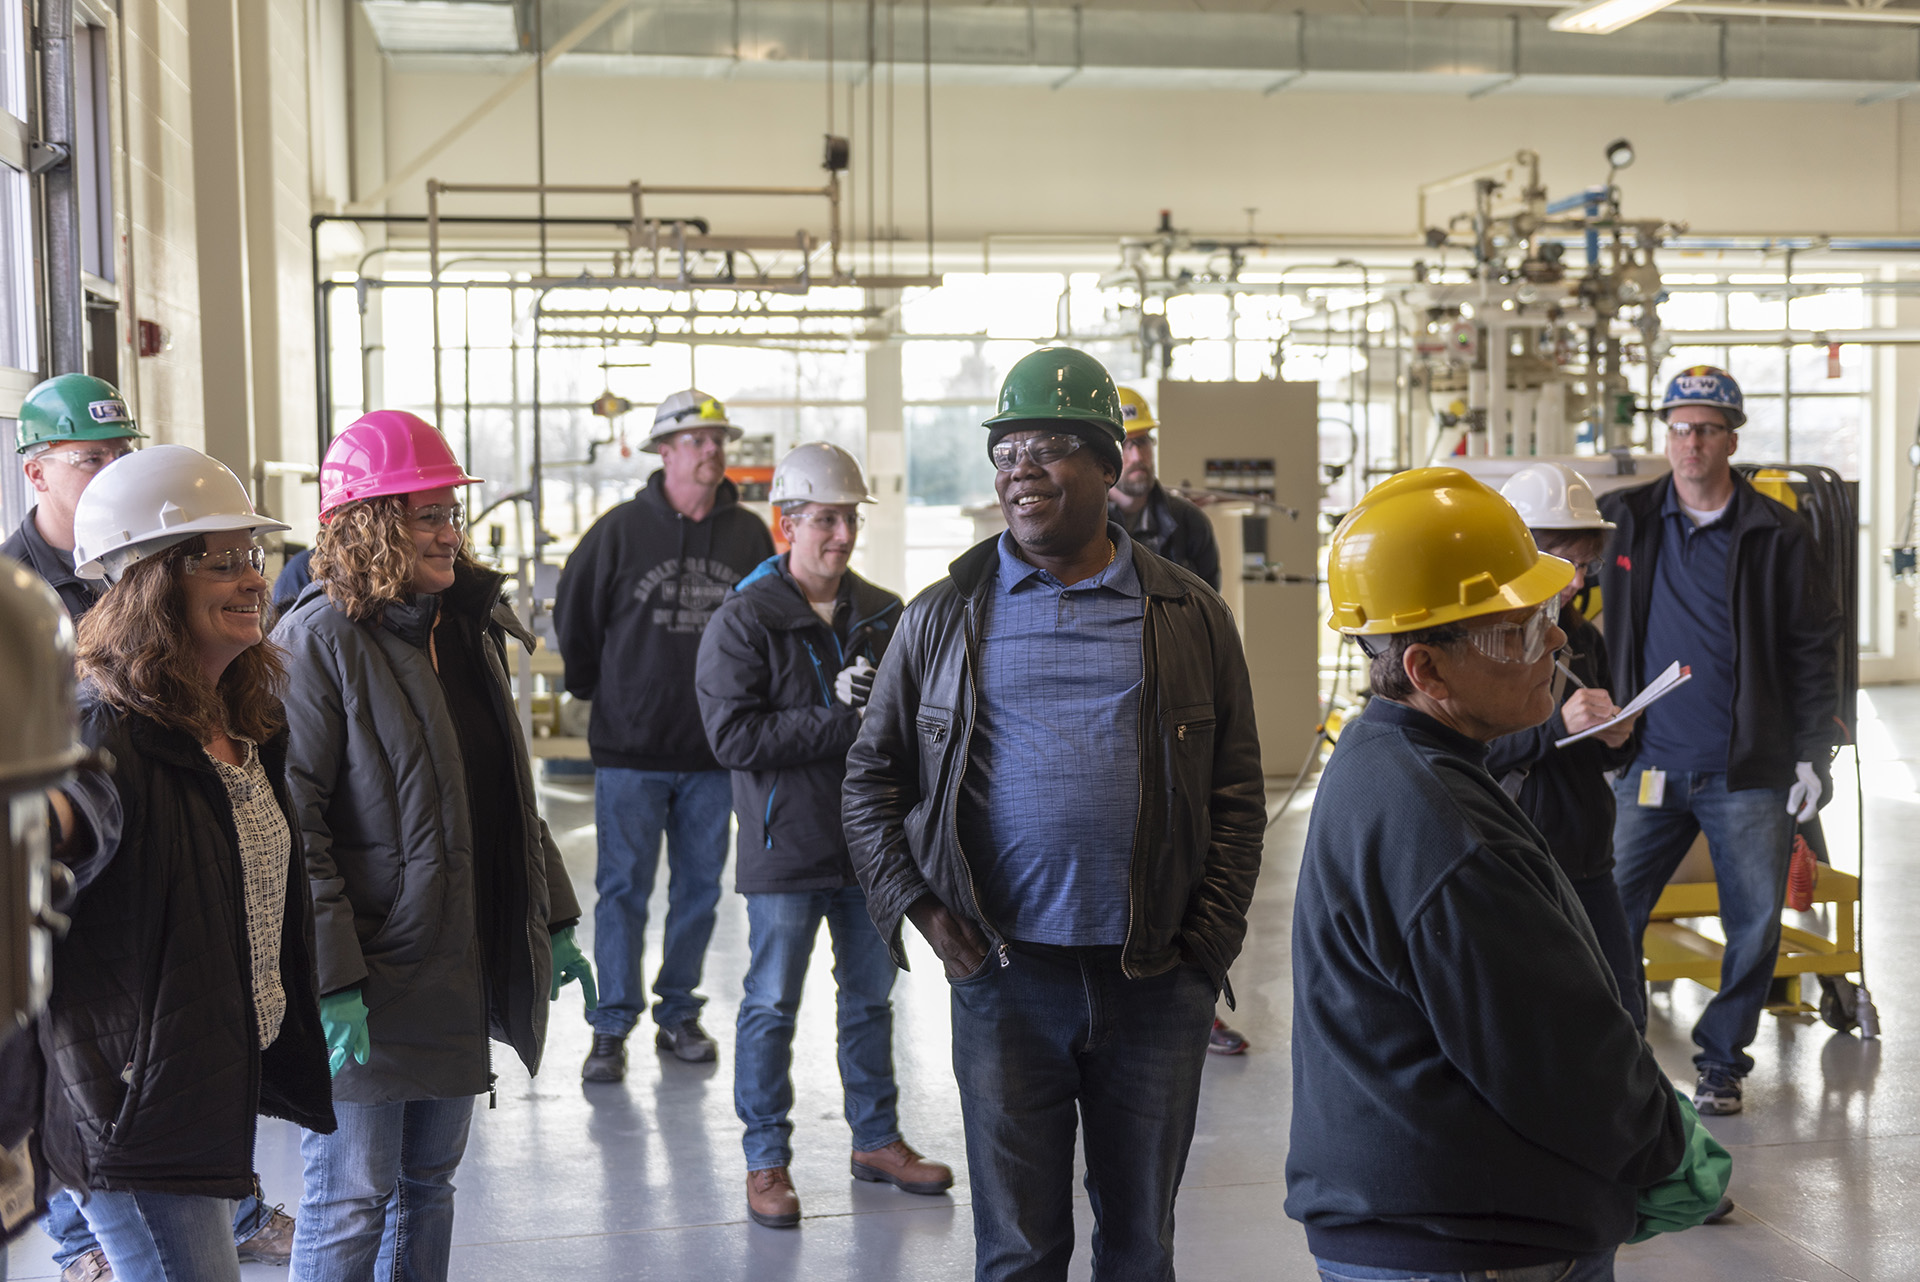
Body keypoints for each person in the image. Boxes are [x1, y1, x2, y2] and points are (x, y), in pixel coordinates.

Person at [843, 347, 1265, 1281]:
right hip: (1004, 976)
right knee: (1020, 1252)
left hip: (1154, 978)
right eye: (1006, 451)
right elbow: (873, 779)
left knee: (1141, 1247)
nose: (1019, 469)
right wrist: (920, 910)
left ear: (1111, 467)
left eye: (1049, 447)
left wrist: (1206, 948)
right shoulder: (941, 617)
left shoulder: (1189, 615)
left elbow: (1238, 793)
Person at [1288, 466, 1687, 1282]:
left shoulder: (1382, 757)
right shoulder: (1450, 833)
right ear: (1427, 670)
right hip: (1473, 1243)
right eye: (1516, 632)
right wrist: (1666, 1145)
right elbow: (1560, 1064)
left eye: (1544, 612)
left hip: (1425, 1216)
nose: (1554, 642)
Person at [276, 411, 591, 1282]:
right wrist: (330, 977)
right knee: (351, 1196)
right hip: (373, 979)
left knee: (430, 1186)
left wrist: (552, 916)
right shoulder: (314, 643)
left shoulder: (465, 628)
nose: (452, 531)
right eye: (428, 515)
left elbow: (505, 795)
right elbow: (295, 830)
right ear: (370, 523)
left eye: (452, 512)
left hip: (457, 961)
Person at [6, 375, 298, 1281]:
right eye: (220, 560)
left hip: (201, 1080)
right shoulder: (102, 725)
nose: (253, 577)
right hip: (129, 1099)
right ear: (151, 582)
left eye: (253, 554)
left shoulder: (235, 712)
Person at [695, 442, 952, 1229]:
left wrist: (890, 713)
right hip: (786, 850)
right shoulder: (744, 620)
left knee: (872, 1003)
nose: (840, 536)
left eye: (849, 519)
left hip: (871, 850)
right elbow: (733, 738)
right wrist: (842, 718)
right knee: (771, 1004)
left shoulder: (884, 611)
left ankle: (876, 1140)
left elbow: (920, 718)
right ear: (788, 523)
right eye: (826, 521)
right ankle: (765, 1158)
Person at [1599, 366, 1843, 1117]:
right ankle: (1614, 1051)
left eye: (1706, 429)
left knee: (1754, 922)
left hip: (1749, 771)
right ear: (1665, 437)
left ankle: (1721, 1063)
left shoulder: (1777, 532)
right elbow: (1572, 608)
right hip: (1650, 764)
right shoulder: (1627, 520)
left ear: (1732, 440)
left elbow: (1813, 647)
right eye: (1678, 428)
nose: (1690, 443)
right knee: (1606, 908)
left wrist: (1813, 752)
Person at [553, 389, 775, 1081]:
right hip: (631, 750)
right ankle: (612, 1025)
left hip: (715, 751)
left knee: (701, 890)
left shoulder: (749, 537)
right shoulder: (618, 531)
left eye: (719, 440)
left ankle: (677, 1012)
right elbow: (575, 619)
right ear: (666, 451)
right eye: (699, 440)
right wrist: (599, 691)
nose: (713, 450)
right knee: (622, 890)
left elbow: (770, 628)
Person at [1104, 387, 1246, 1057]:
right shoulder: (1089, 527)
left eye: (1146, 442)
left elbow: (1212, 622)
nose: (1140, 455)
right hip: (1112, 724)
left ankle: (1201, 1001)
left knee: (1194, 859)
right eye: (1129, 443)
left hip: (1182, 722)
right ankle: (1112, 1006)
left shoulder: (1188, 525)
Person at [1486, 462, 1645, 1023]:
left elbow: (1598, 746)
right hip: (1519, 861)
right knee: (1534, 1019)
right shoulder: (1486, 642)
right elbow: (1469, 754)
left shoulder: (1580, 636)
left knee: (1625, 1012)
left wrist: (1617, 737)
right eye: (1566, 564)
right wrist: (1557, 728)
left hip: (1590, 857)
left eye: (1586, 565)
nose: (1579, 581)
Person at [3, 373, 144, 619]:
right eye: (92, 459)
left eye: (123, 456)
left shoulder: (156, 550)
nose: (115, 473)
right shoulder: (10, 588)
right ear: (37, 474)